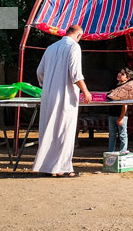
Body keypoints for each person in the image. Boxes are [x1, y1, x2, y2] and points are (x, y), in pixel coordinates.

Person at [33, 24, 91, 177]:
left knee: (49, 129)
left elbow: (39, 72)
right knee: (65, 130)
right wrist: (85, 91)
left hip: (49, 95)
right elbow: (76, 74)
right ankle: (64, 168)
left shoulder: (51, 48)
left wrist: (48, 85)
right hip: (65, 95)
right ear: (78, 35)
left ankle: (48, 167)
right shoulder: (74, 47)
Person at [107, 67, 133, 153]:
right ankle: (110, 153)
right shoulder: (114, 85)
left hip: (121, 115)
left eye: (122, 74)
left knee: (122, 135)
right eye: (120, 72)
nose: (119, 74)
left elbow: (125, 105)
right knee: (112, 135)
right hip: (112, 114)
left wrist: (121, 118)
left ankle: (123, 152)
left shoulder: (126, 88)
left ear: (128, 78)